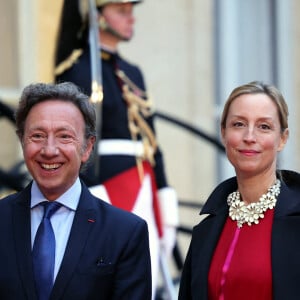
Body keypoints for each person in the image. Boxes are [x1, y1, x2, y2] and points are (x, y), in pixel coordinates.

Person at [54, 0, 179, 295]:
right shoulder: (78, 71)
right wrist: (92, 191)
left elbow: (151, 142)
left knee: (144, 276)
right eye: (121, 11)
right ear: (97, 16)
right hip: (106, 186)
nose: (131, 18)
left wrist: (164, 193)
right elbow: (74, 140)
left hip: (143, 183)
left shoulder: (133, 73)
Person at [0, 82, 152, 300]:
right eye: (37, 136)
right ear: (23, 141)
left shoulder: (124, 233)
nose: (49, 150)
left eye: (64, 136)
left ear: (87, 148)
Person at [178, 81, 300, 299]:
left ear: (282, 138)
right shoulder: (205, 231)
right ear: (224, 133)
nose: (249, 137)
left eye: (264, 126)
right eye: (239, 124)